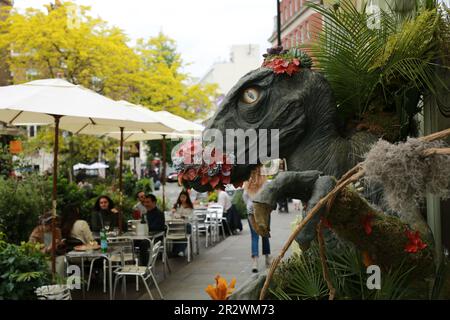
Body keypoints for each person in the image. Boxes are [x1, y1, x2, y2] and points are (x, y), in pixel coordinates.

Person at [243, 166, 271, 273]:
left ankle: (255, 262)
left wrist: (250, 205)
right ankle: (267, 259)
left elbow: (245, 197)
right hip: (263, 211)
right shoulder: (266, 182)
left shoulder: (248, 182)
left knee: (254, 237)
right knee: (265, 234)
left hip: (251, 212)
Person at [171, 190, 193, 256]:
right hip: (177, 224)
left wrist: (181, 216)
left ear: (187, 198)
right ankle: (175, 251)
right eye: (181, 197)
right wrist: (173, 212)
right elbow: (173, 214)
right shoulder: (177, 205)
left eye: (184, 197)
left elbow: (189, 217)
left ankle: (180, 250)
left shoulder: (189, 206)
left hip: (186, 224)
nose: (182, 199)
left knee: (186, 230)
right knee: (172, 230)